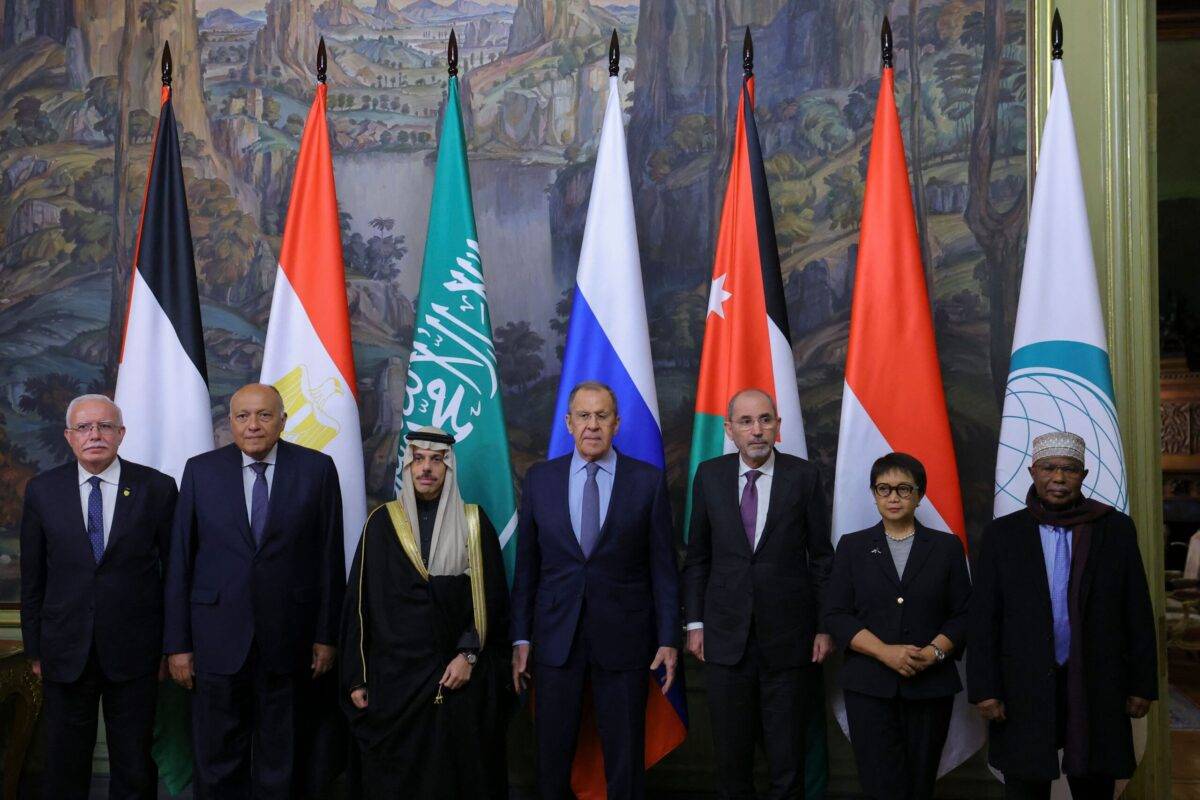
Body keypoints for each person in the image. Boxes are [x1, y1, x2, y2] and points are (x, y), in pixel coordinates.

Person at [164, 383, 345, 799]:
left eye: (264, 415)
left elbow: (329, 560)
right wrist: (178, 644)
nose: (253, 426)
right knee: (216, 756)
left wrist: (325, 636)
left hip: (290, 638)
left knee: (282, 755)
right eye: (243, 416)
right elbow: (180, 561)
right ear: (229, 423)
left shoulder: (317, 469)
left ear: (283, 419)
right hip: (215, 640)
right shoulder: (200, 471)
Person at [510, 381, 680, 800]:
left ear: (617, 423)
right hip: (554, 640)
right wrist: (521, 636)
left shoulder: (647, 482)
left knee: (624, 761)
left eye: (602, 416)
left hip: (624, 639)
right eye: (583, 416)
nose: (592, 425)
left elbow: (664, 569)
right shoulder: (539, 481)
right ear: (568, 423)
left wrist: (668, 639)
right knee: (551, 759)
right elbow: (527, 567)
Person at [968, 431, 1157, 799]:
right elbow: (984, 618)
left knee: (1094, 783)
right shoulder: (1002, 535)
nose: (1058, 478)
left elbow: (1136, 609)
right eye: (1049, 468)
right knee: (1026, 784)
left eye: (1069, 469)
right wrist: (985, 689)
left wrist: (1142, 684)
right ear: (1033, 471)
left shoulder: (1113, 529)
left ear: (1084, 475)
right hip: (1021, 685)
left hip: (1096, 681)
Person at [19, 394, 178, 800]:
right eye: (85, 427)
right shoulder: (42, 490)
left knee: (134, 764)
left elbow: (175, 575)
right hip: (64, 650)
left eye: (105, 426)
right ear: (69, 436)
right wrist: (36, 648)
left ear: (121, 434)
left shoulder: (157, 488)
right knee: (64, 764)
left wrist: (171, 646)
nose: (95, 435)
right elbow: (33, 576)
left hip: (136, 652)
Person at [339, 427, 512, 798]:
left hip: (456, 678)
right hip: (394, 683)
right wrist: (357, 677)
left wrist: (467, 656)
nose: (426, 469)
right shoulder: (381, 524)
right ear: (407, 466)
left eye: (436, 460)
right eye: (418, 459)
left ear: (449, 468)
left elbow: (492, 604)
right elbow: (359, 606)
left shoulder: (474, 523)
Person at [682, 387, 834, 799]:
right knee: (732, 763)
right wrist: (695, 622)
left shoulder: (804, 477)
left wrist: (823, 627)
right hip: (725, 642)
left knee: (787, 762)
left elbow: (821, 558)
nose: (757, 430)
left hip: (789, 643)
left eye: (765, 420)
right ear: (729, 429)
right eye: (746, 422)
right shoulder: (709, 475)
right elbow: (697, 557)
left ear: (778, 426)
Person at [824, 452, 971, 800]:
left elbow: (965, 614)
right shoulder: (852, 547)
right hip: (869, 687)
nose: (893, 497)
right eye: (884, 489)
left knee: (919, 785)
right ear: (873, 494)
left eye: (904, 489)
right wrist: (884, 653)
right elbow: (836, 614)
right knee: (879, 785)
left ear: (919, 495)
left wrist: (935, 652)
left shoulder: (947, 547)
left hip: (930, 685)